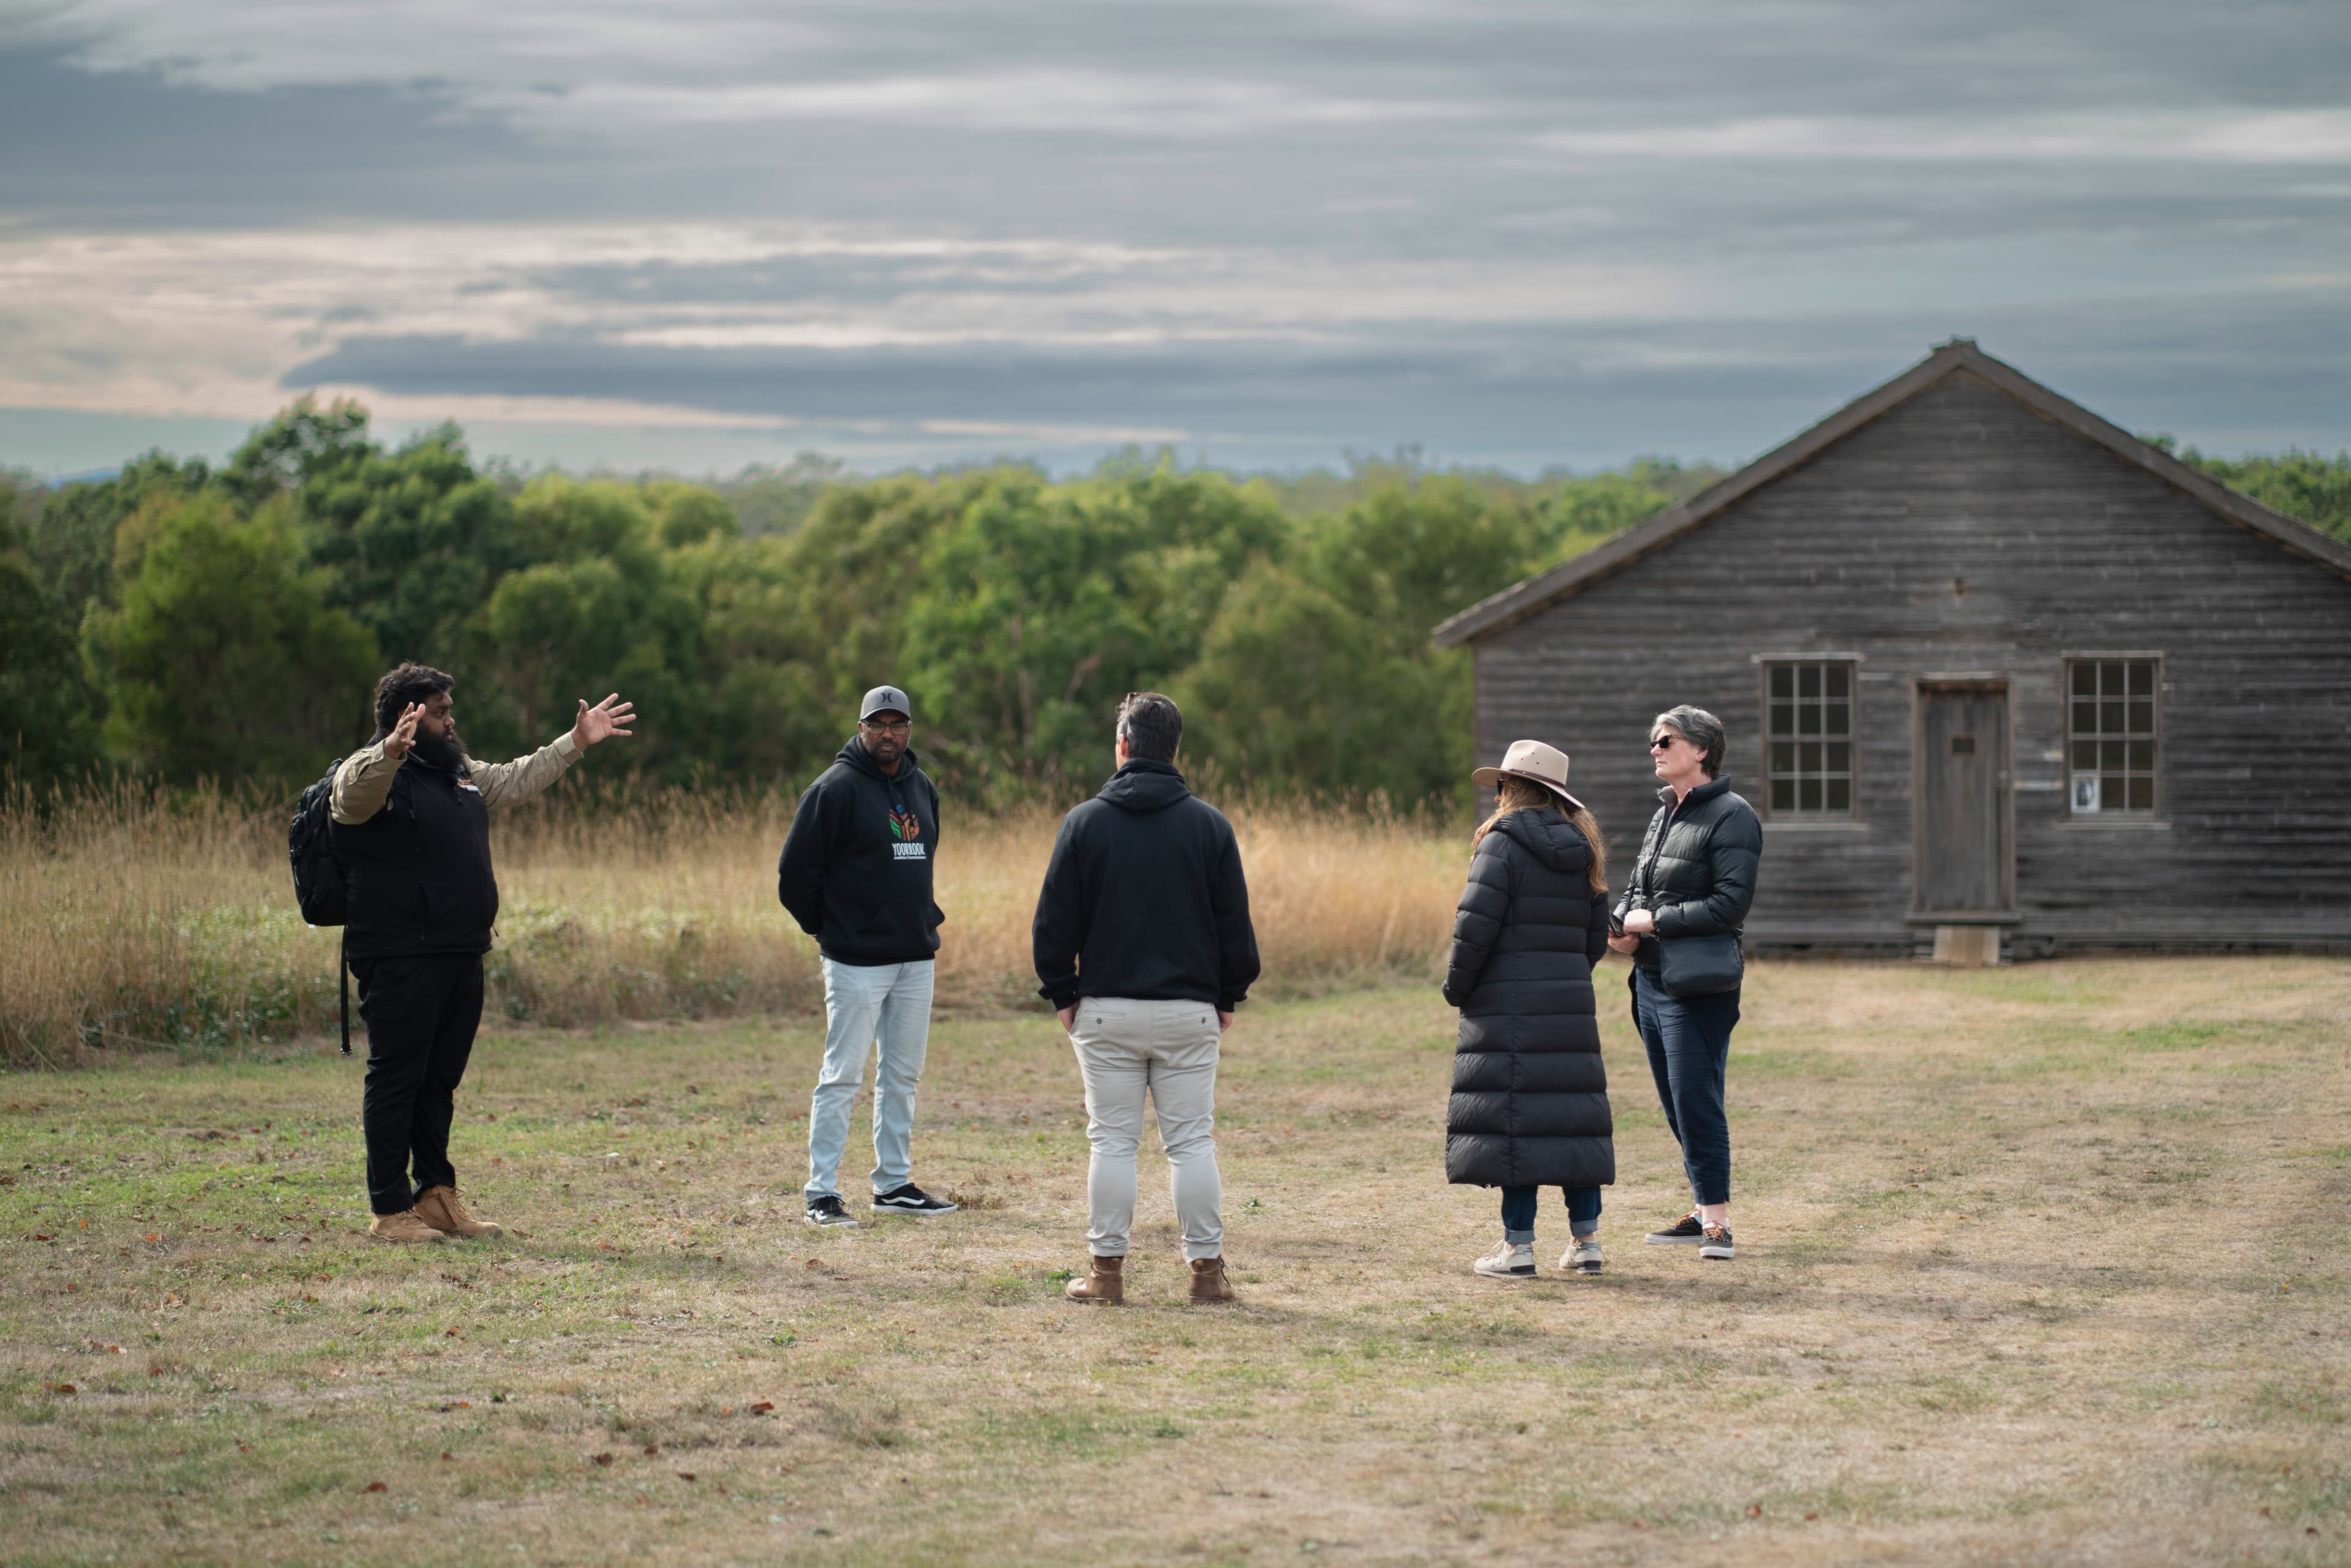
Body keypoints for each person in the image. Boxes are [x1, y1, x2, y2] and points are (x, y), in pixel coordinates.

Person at [332, 662, 634, 1243]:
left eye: (449, 708)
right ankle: (389, 1209)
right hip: (399, 957)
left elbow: (515, 779)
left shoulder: (457, 773)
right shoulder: (369, 771)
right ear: (408, 717)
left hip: (460, 953)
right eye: (440, 711)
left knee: (439, 1079)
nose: (452, 719)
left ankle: (436, 1196)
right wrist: (390, 750)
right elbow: (350, 799)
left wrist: (574, 743)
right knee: (396, 1077)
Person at [1032, 692, 1258, 1306]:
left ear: (1123, 746)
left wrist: (1061, 992)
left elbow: (1054, 923)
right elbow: (1234, 926)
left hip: (1105, 1009)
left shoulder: (1084, 822)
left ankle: (1106, 1275)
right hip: (1190, 1010)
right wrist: (1228, 994)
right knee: (1190, 1141)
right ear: (1175, 749)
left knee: (1111, 1140)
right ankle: (1206, 1275)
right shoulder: (1210, 826)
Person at [778, 685, 958, 1228]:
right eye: (877, 723)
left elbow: (924, 857)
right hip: (855, 961)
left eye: (896, 723)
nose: (887, 733)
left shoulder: (922, 787)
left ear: (908, 729)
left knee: (902, 1074)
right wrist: (832, 929)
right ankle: (821, 1192)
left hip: (914, 957)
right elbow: (794, 877)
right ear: (861, 729)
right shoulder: (832, 791)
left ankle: (893, 1183)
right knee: (842, 1076)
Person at [1443, 740, 1616, 1279]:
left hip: (1506, 1004)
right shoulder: (1586, 847)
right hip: (1568, 1002)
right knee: (1572, 1121)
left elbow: (1474, 928)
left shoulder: (1500, 843)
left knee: (1515, 1122)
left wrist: (1457, 988)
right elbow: (1594, 940)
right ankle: (1586, 1242)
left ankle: (1518, 1248)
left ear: (1510, 789)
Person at [1608, 705, 1761, 1262]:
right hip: (1650, 979)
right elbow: (1637, 886)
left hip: (1697, 986)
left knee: (1697, 1099)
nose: (1655, 747)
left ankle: (1717, 1224)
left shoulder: (1733, 815)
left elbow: (1729, 904)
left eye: (1665, 739)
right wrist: (1621, 926)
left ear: (1700, 750)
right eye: (1653, 740)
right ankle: (1701, 1209)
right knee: (1676, 1101)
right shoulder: (1664, 813)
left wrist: (1654, 923)